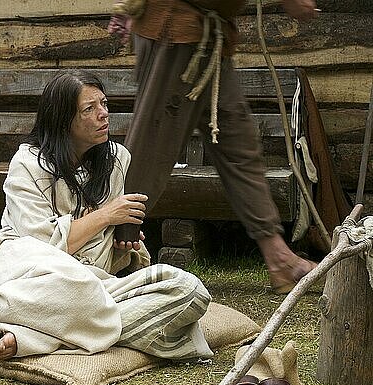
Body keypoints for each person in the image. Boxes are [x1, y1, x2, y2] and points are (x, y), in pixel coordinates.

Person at [0, 70, 214, 362]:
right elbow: (39, 245)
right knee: (74, 283)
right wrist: (104, 217)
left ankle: (36, 332)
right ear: (63, 120)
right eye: (90, 109)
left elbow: (104, 247)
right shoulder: (27, 164)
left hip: (95, 283)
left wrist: (122, 245)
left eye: (104, 103)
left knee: (188, 290)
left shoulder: (116, 160)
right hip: (32, 274)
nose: (103, 114)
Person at [107, 0, 319, 294]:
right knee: (149, 155)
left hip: (205, 35)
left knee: (239, 147)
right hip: (175, 31)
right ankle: (106, 257)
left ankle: (279, 259)